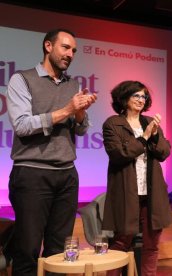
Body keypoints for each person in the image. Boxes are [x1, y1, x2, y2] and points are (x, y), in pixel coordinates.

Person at [6, 28, 97, 275]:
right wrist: (67, 110)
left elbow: (80, 130)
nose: (70, 54)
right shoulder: (21, 79)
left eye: (74, 51)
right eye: (65, 48)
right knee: (28, 249)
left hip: (67, 174)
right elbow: (23, 126)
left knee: (59, 252)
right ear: (48, 46)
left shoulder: (73, 84)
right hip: (32, 173)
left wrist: (79, 114)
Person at [102, 80, 172, 276]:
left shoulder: (149, 122)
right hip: (127, 191)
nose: (141, 99)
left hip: (151, 193)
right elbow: (119, 154)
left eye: (144, 96)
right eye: (136, 95)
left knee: (152, 244)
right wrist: (144, 137)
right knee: (120, 242)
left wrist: (155, 135)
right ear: (124, 98)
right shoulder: (113, 124)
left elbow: (164, 152)